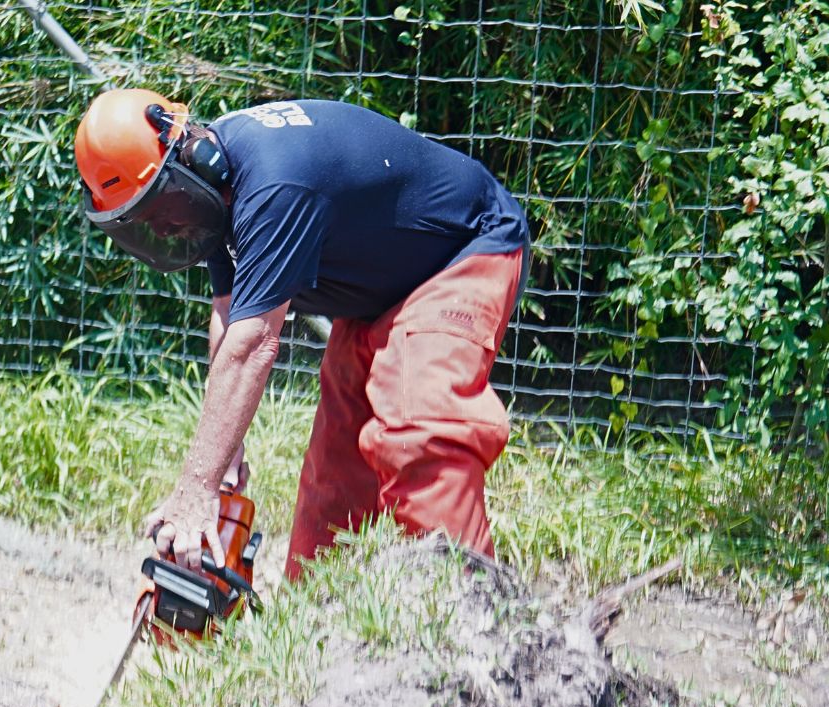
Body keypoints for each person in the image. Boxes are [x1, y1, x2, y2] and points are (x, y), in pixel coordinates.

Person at [74, 89, 529, 580]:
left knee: (417, 428)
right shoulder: (211, 191)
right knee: (336, 473)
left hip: (463, 250)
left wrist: (195, 491)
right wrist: (225, 457)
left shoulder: (272, 183)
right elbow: (229, 319)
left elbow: (252, 348)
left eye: (161, 208)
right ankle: (315, 626)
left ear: (189, 154)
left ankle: (470, 616)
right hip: (375, 293)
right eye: (143, 222)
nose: (163, 229)